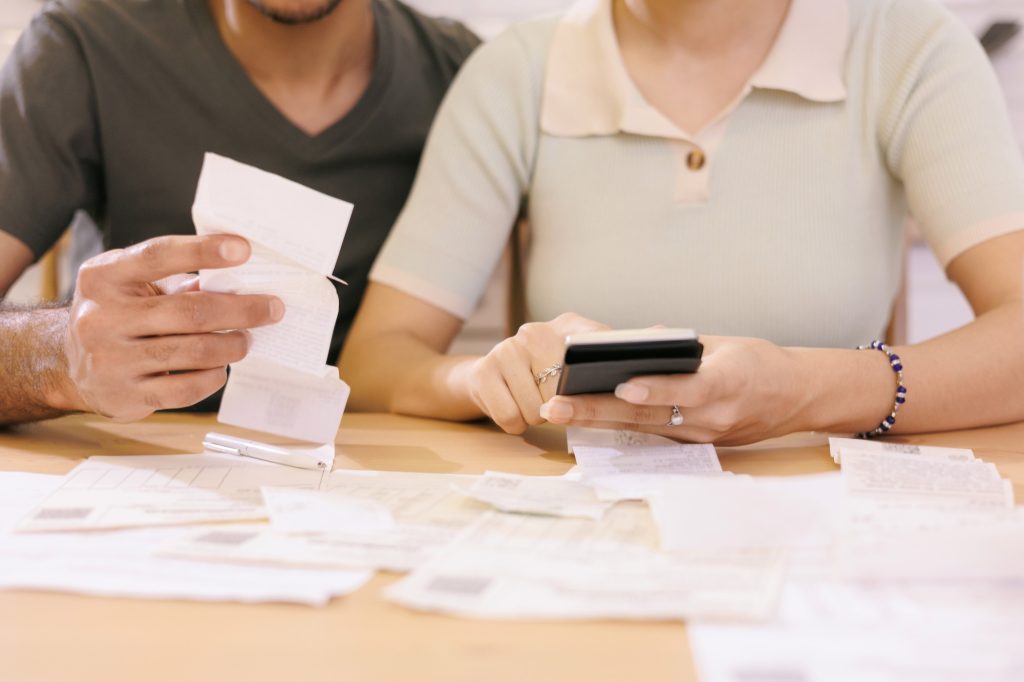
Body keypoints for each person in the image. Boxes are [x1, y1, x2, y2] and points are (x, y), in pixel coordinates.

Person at [341, 0, 1024, 445]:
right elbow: (376, 360)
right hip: (581, 519)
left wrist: (807, 389)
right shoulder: (517, 71)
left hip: (828, 522)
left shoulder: (912, 51)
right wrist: (484, 379)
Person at [0, 0, 478, 425]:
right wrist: (58, 354)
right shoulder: (82, 47)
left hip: (365, 470)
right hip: (126, 464)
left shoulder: (464, 75)